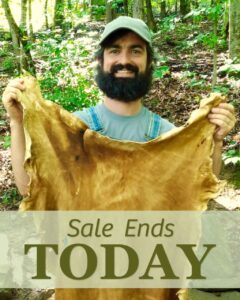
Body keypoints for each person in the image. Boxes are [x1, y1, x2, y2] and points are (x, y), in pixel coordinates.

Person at [2, 16, 236, 197]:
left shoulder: (167, 135)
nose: (124, 60)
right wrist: (17, 121)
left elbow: (196, 190)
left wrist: (215, 141)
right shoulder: (72, 130)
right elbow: (29, 189)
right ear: (101, 61)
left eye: (135, 50)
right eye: (115, 50)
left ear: (148, 62)